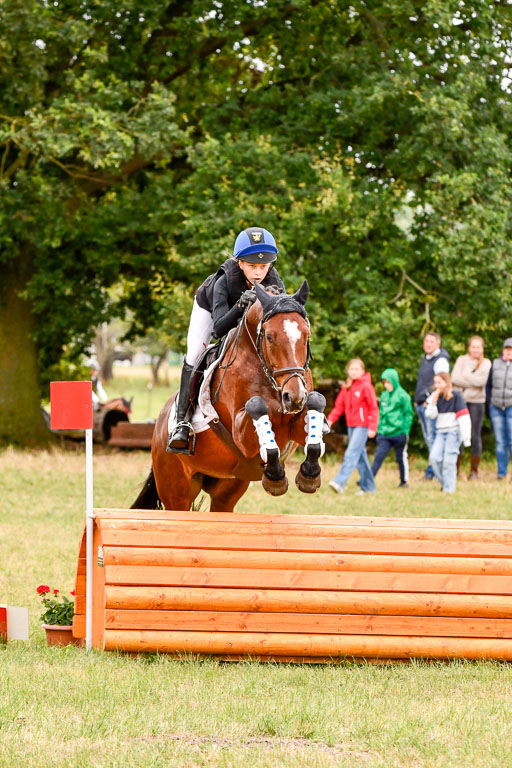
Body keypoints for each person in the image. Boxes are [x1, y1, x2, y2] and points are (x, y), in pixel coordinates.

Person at [167, 227, 285, 453]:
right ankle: (181, 421)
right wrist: (241, 304)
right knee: (195, 353)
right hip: (210, 310)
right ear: (240, 263)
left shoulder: (274, 280)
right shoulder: (224, 281)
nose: (258, 272)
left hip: (243, 321)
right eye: (252, 266)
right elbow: (219, 328)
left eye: (263, 266)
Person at [327, 358, 379, 495]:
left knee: (351, 453)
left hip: (362, 426)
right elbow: (339, 407)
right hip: (351, 425)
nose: (354, 371)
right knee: (360, 457)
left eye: (357, 369)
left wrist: (373, 427)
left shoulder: (366, 386)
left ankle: (339, 482)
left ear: (362, 371)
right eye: (352, 369)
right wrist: (330, 420)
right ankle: (369, 488)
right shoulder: (347, 386)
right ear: (348, 371)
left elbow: (374, 408)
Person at [451, 336, 491, 479]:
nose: (475, 349)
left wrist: (465, 378)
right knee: (459, 434)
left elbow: (481, 382)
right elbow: (454, 378)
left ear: (482, 349)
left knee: (475, 435)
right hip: (461, 402)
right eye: (473, 347)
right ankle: (455, 470)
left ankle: (474, 471)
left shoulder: (486, 363)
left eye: (478, 347)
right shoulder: (461, 360)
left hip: (477, 403)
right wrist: (471, 381)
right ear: (469, 348)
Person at [425, 372, 471, 493]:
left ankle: (449, 490)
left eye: (439, 382)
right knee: (434, 458)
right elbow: (430, 415)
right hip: (441, 432)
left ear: (447, 383)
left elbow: (464, 417)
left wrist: (466, 437)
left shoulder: (456, 396)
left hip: (453, 432)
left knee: (448, 462)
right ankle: (445, 484)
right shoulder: (436, 397)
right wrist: (433, 402)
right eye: (435, 383)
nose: (437, 385)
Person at [413, 332, 450, 479]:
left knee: (433, 438)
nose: (428, 344)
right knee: (429, 438)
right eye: (426, 341)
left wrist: (429, 400)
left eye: (431, 342)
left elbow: (441, 383)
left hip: (430, 405)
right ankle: (433, 470)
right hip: (421, 404)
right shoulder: (426, 359)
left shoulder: (440, 360)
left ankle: (434, 472)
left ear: (438, 344)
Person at [371, 368, 413, 488]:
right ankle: (369, 478)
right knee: (378, 456)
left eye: (388, 382)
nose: (386, 385)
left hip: (399, 433)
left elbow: (408, 414)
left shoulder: (403, 396)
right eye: (384, 382)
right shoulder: (384, 395)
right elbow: (381, 413)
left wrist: (405, 431)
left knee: (401, 458)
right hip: (384, 433)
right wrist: (380, 429)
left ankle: (404, 481)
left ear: (394, 381)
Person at [487, 338, 512, 480]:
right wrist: (491, 402)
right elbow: (488, 385)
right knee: (500, 442)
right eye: (507, 349)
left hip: (511, 407)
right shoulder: (495, 364)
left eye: (511, 349)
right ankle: (501, 473)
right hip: (496, 407)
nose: (509, 351)